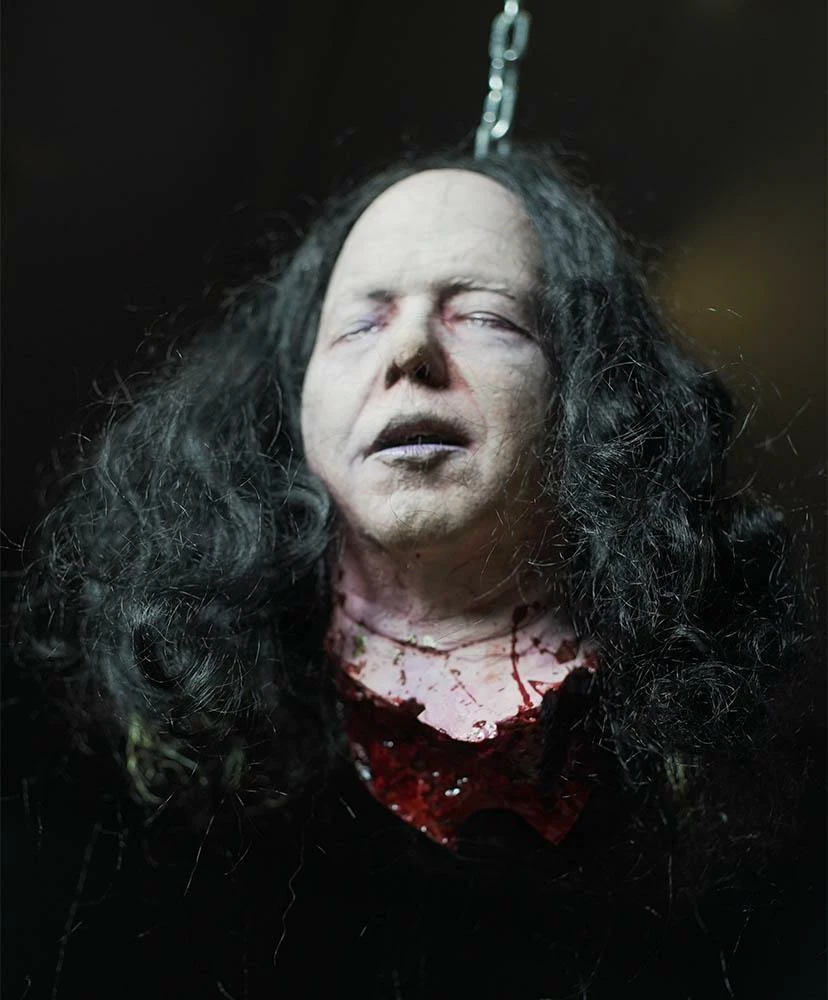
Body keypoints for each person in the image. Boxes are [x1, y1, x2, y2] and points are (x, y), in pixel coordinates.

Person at [9, 145, 821, 998]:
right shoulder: (140, 730)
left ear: (589, 387)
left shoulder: (739, 791)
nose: (410, 353)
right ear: (291, 397)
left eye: (486, 317)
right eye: (359, 325)